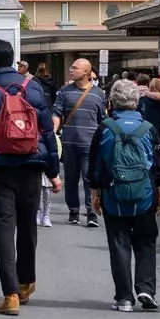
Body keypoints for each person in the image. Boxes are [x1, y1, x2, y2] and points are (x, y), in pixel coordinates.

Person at [0, 38, 57, 317]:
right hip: (32, 165)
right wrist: (53, 171)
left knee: (5, 230)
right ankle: (27, 282)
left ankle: (10, 295)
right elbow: (46, 132)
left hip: (0, 168)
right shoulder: (34, 88)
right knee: (28, 226)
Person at [89, 79, 160, 311]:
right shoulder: (148, 129)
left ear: (112, 101)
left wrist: (95, 194)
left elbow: (95, 166)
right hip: (144, 194)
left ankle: (124, 297)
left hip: (113, 194)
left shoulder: (105, 128)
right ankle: (146, 289)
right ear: (137, 101)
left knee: (119, 244)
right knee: (145, 242)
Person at [54, 59, 106, 228]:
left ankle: (91, 213)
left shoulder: (99, 94)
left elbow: (102, 120)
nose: (71, 70)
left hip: (90, 145)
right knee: (70, 179)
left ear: (85, 72)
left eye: (75, 68)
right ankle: (74, 211)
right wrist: (53, 133)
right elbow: (57, 113)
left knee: (89, 179)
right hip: (69, 143)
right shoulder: (64, 91)